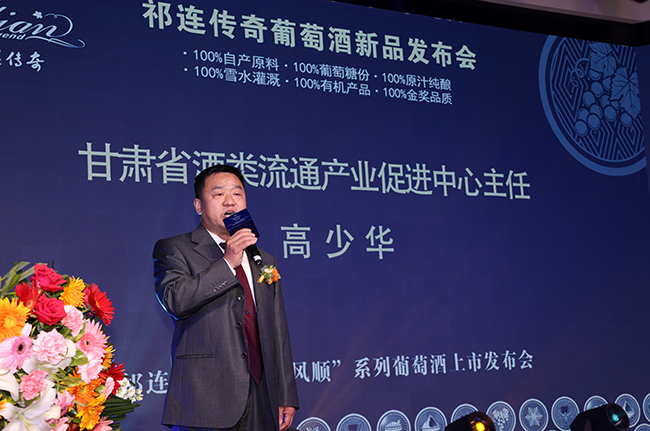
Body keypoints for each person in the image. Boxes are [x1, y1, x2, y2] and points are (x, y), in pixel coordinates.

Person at [154, 164, 299, 431]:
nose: (230, 201)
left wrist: (286, 394)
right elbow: (175, 300)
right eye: (219, 194)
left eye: (237, 194)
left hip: (261, 395)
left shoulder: (263, 259)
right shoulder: (175, 248)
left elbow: (277, 329)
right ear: (199, 205)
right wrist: (227, 262)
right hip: (206, 398)